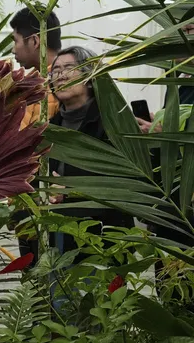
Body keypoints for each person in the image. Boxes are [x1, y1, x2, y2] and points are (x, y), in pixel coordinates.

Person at [48, 46, 134, 253]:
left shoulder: (113, 120)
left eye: (69, 68)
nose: (60, 76)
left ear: (90, 76)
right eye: (55, 71)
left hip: (104, 240)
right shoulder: (51, 127)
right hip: (58, 238)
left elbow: (127, 183)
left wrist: (69, 193)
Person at [11, 6, 62, 128]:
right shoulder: (32, 82)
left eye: (15, 41)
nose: (13, 50)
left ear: (34, 41)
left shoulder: (61, 85)